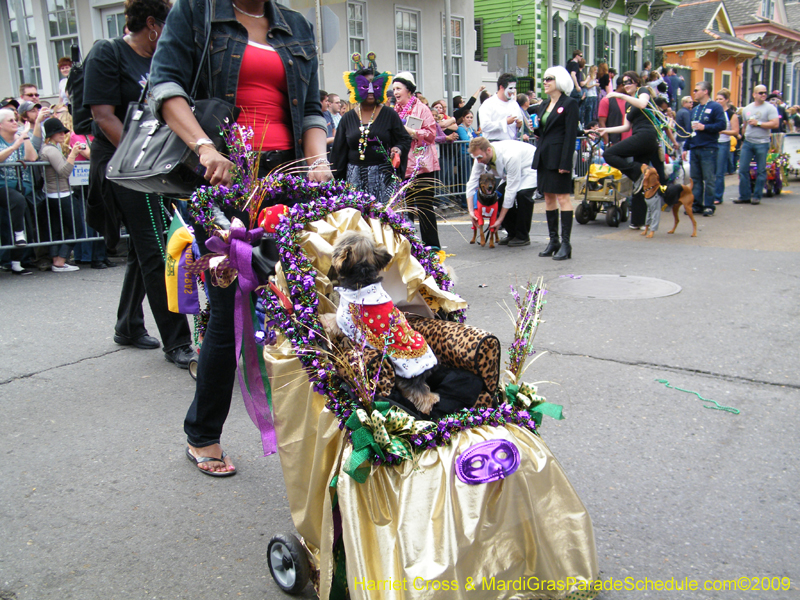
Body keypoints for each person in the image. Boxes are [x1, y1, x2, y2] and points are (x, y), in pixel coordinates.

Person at [150, 0, 331, 474]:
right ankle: (203, 434)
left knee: (304, 308)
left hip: (287, 183)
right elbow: (165, 87)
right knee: (229, 313)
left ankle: (317, 433)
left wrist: (319, 164)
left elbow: (310, 108)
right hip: (222, 179)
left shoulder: (295, 25)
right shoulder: (197, 12)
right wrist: (205, 147)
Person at [84, 0, 194, 365]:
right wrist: (142, 159)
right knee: (156, 249)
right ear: (151, 24)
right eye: (169, 25)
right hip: (125, 165)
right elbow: (103, 116)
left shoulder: (159, 61)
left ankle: (128, 325)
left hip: (156, 165)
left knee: (143, 249)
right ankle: (177, 342)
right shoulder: (109, 53)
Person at [594, 71, 666, 229]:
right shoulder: (628, 104)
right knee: (639, 183)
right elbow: (626, 127)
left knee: (609, 154)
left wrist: (620, 96)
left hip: (646, 136)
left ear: (636, 82)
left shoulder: (642, 92)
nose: (626, 85)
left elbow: (642, 104)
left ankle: (640, 171)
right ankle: (638, 221)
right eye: (624, 82)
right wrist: (606, 130)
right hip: (640, 136)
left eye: (629, 82)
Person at [333, 63, 411, 204]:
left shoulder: (389, 115)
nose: (370, 91)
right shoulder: (347, 118)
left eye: (374, 87)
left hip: (383, 177)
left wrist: (398, 149)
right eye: (364, 86)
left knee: (383, 220)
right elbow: (339, 151)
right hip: (354, 179)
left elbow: (404, 139)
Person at [532, 66, 579, 260]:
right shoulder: (544, 104)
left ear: (558, 80)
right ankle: (554, 240)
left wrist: (565, 162)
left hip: (559, 156)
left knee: (563, 197)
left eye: (549, 79)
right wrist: (535, 128)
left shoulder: (569, 103)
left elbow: (570, 135)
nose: (545, 82)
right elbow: (544, 131)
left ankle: (566, 243)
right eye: (544, 79)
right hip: (544, 155)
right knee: (548, 198)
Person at [392, 71, 441, 249]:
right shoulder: (394, 111)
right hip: (403, 165)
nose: (395, 92)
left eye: (399, 88)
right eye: (393, 89)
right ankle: (409, 246)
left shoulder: (422, 109)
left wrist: (412, 132)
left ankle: (432, 246)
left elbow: (431, 135)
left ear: (409, 90)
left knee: (424, 207)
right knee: (405, 208)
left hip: (423, 165)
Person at [467, 136, 536, 247]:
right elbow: (472, 182)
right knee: (498, 196)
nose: (478, 161)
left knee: (522, 196)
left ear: (488, 150)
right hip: (511, 173)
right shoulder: (480, 158)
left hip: (529, 169)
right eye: (475, 158)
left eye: (479, 157)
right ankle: (511, 232)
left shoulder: (510, 156)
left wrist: (499, 220)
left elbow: (511, 190)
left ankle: (522, 236)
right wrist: (471, 211)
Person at [37, 117, 82, 272]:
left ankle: (58, 260)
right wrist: (73, 154)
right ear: (51, 134)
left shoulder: (49, 148)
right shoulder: (50, 149)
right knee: (77, 228)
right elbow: (64, 171)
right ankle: (60, 261)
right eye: (59, 131)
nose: (63, 134)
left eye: (63, 131)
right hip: (60, 194)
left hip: (55, 194)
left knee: (57, 229)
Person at [0, 108, 36, 274]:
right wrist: (15, 146)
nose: (15, 122)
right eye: (11, 120)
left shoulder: (20, 137)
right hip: (1, 185)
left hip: (19, 185)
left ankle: (16, 263)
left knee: (25, 220)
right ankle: (18, 234)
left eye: (15, 119)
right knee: (17, 202)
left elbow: (32, 158)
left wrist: (25, 137)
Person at [681, 81, 726, 216]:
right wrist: (686, 147)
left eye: (696, 90)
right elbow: (690, 130)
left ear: (705, 91)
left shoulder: (716, 107)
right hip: (695, 147)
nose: (694, 93)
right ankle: (697, 204)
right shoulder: (694, 110)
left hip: (708, 147)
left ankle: (709, 205)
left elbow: (721, 125)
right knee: (695, 178)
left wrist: (705, 127)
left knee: (709, 178)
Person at [734, 85, 780, 205]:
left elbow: (775, 124)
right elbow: (744, 126)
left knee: (760, 170)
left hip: (762, 142)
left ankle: (757, 196)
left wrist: (758, 123)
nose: (763, 95)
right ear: (754, 94)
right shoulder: (747, 109)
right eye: (760, 93)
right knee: (743, 169)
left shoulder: (770, 108)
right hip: (748, 142)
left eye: (765, 93)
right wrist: (742, 140)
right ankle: (744, 195)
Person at [478, 73, 525, 142]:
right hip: (494, 143)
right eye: (510, 88)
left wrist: (519, 125)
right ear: (501, 87)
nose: (513, 91)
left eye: (514, 88)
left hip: (511, 142)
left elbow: (518, 126)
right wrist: (505, 122)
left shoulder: (514, 104)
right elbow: (484, 126)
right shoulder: (488, 104)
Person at [713, 89, 739, 206]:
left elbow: (735, 131)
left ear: (726, 100)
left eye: (721, 99)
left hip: (723, 143)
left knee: (719, 171)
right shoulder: (713, 112)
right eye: (717, 99)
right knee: (710, 171)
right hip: (712, 143)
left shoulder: (731, 114)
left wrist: (722, 131)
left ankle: (718, 196)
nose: (718, 101)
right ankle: (710, 194)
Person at [597, 81, 631, 147]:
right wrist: (607, 142)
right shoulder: (607, 100)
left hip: (631, 141)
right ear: (621, 85)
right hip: (615, 142)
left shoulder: (633, 100)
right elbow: (602, 122)